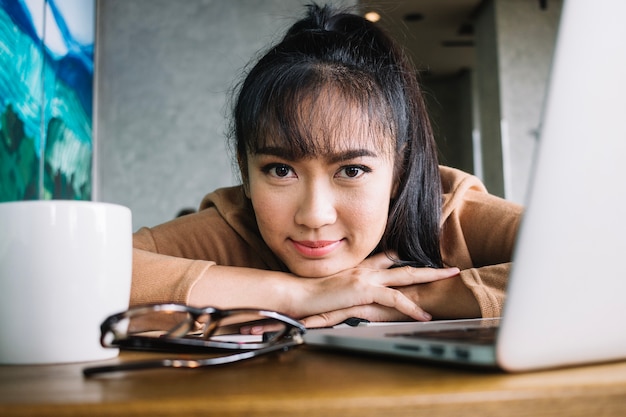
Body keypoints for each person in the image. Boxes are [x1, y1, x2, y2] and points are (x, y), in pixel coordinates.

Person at [131, 4, 522, 329]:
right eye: (280, 170)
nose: (315, 216)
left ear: (399, 170)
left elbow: (583, 257)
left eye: (351, 170)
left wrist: (403, 296)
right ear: (246, 173)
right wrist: (300, 295)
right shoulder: (234, 224)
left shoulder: (450, 215)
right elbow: (76, 269)